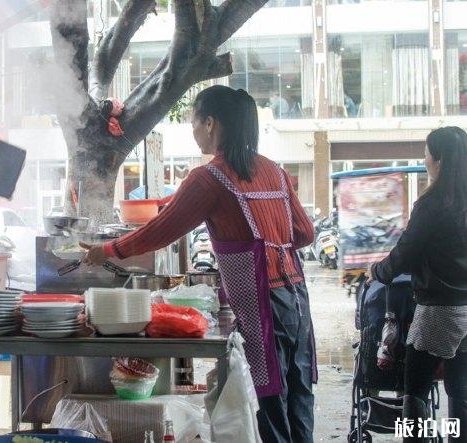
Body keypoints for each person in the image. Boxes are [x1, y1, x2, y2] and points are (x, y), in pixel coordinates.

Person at [82, 85, 317, 442]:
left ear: (210, 123)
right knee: (299, 395)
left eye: (193, 122)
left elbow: (161, 230)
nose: (193, 132)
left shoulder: (210, 178)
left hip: (262, 306)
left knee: (267, 399)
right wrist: (273, 245)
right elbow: (305, 233)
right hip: (296, 300)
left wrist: (107, 250)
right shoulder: (275, 172)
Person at [367, 126, 467, 443]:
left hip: (439, 311)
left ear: (438, 159)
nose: (424, 158)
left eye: (426, 152)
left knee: (416, 391)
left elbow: (405, 254)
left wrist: (377, 271)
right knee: (460, 388)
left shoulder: (433, 204)